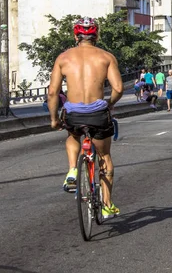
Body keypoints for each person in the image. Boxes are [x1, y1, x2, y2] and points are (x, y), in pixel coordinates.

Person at [48, 17, 122, 219]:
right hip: (98, 114)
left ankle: (72, 170)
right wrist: (109, 104)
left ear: (76, 36)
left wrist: (54, 119)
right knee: (104, 157)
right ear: (96, 35)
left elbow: (53, 92)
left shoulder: (63, 58)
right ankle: (106, 205)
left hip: (74, 115)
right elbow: (118, 88)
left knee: (73, 135)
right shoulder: (106, 57)